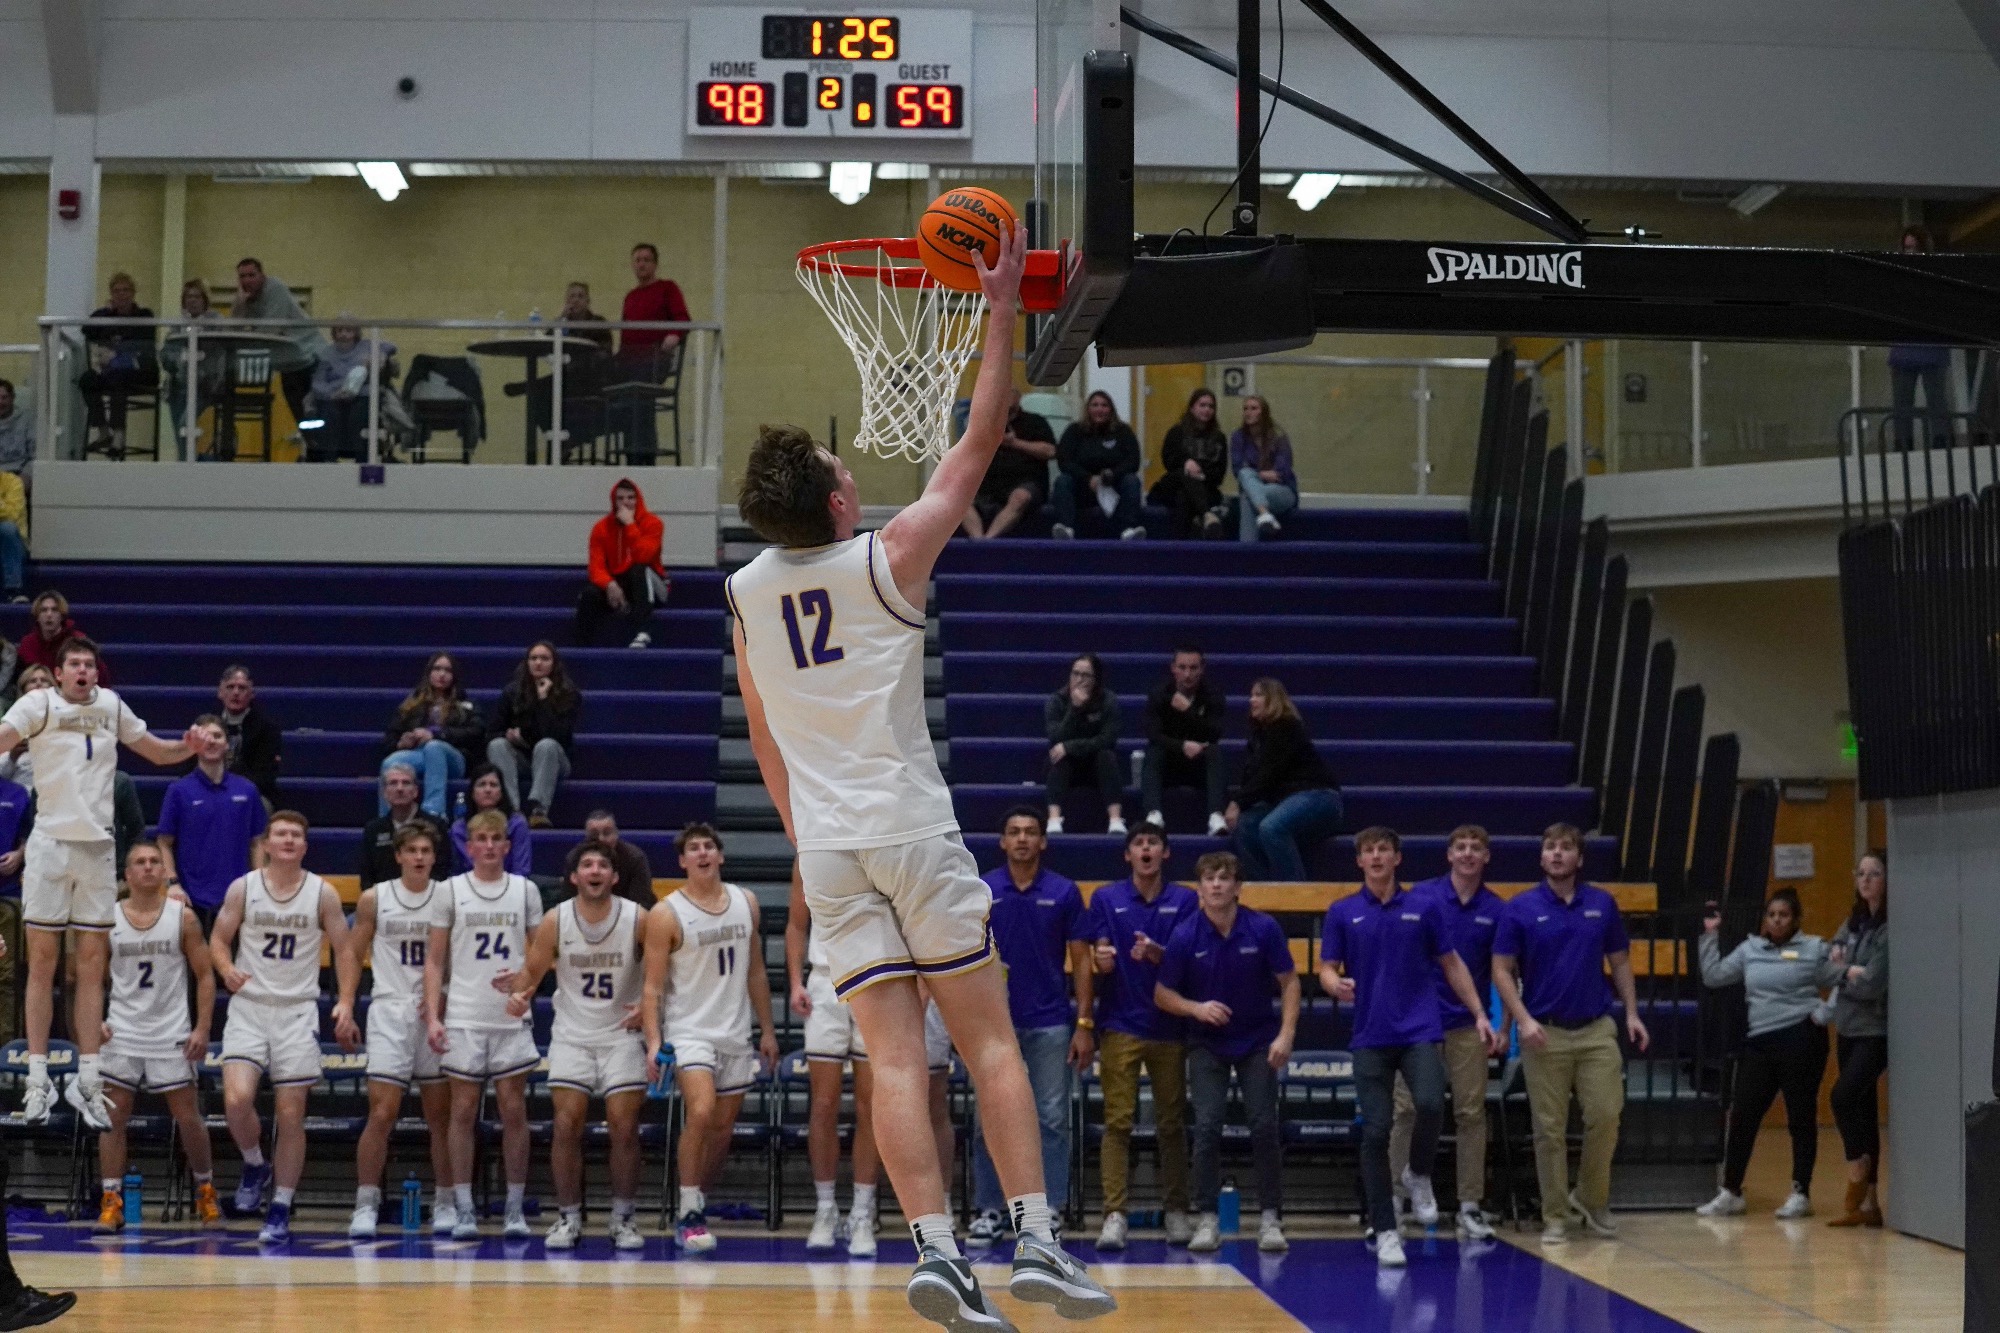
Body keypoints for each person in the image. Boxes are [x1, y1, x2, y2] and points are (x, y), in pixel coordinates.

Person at [731, 222, 1114, 1327]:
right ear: (839, 504)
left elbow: (759, 729)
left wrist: (804, 835)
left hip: (830, 845)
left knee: (891, 1059)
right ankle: (1036, 1241)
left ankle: (937, 1256)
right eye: (845, 468)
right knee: (988, 1036)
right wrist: (997, 306)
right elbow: (981, 439)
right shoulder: (887, 554)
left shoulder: (746, 590)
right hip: (906, 824)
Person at [0, 636, 196, 1128]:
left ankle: (88, 1079)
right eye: (75, 664)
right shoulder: (37, 703)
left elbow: (157, 753)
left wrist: (188, 747)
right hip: (49, 843)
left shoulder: (111, 706)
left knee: (91, 969)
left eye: (90, 664)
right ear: (60, 672)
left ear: (96, 673)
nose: (83, 670)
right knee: (42, 965)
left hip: (98, 848)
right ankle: (38, 1081)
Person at [1318, 828, 1496, 1268]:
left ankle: (1418, 1173)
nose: (1376, 857)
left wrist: (1478, 1013)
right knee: (1376, 1132)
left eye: (1383, 850)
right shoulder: (1343, 911)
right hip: (1370, 1035)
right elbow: (1326, 966)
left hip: (1420, 1029)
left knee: (1433, 1103)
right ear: (1359, 861)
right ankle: (1385, 1229)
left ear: (1397, 858)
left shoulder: (1425, 906)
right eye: (1368, 851)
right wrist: (1332, 984)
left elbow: (1451, 963)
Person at [1491, 822, 1649, 1246]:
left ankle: (1590, 1198)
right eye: (1550, 847)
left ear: (1579, 858)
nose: (1557, 854)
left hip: (1597, 1028)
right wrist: (1521, 1020)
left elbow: (1619, 961)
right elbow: (1502, 970)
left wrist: (1632, 1013)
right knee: (1549, 1129)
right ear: (1541, 858)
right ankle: (1555, 1213)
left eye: (1566, 848)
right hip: (1545, 1031)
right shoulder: (1520, 908)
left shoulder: (1602, 903)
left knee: (1606, 1114)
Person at [209, 811, 360, 1245]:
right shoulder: (244, 887)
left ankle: (280, 1207)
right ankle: (256, 1163)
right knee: (236, 1100)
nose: (289, 840)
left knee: (291, 1115)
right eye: (282, 834)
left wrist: (346, 1003)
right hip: (250, 1006)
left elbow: (346, 952)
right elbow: (219, 939)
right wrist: (225, 969)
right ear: (268, 843)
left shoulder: (322, 893)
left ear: (305, 846)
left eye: (297, 834)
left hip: (296, 1011)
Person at [641, 824, 779, 1253]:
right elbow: (652, 988)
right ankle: (689, 1210)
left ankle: (696, 1194)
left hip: (735, 1031)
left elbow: (756, 970)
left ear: (720, 856)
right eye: (693, 849)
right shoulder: (666, 914)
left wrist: (769, 1030)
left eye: (708, 846)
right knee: (700, 1111)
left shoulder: (746, 903)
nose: (702, 853)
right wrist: (653, 1041)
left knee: (721, 1127)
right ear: (682, 862)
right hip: (689, 1031)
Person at [1154, 850, 1299, 1254]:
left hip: (1256, 1040)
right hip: (1207, 1044)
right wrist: (1196, 1008)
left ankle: (1271, 1218)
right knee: (1207, 1128)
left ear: (1237, 886)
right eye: (1209, 878)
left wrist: (1285, 1035)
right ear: (1199, 888)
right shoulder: (1185, 934)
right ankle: (1208, 1219)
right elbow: (1163, 993)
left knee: (1263, 1125)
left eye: (1224, 878)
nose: (1216, 885)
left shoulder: (1263, 928)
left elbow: (1289, 981)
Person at [508, 840, 649, 1251]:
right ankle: (568, 1216)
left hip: (622, 1033)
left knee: (624, 1127)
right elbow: (530, 976)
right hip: (572, 1034)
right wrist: (518, 994)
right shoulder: (556, 920)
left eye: (602, 865)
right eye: (586, 864)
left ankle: (623, 1217)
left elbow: (667, 971)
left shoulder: (638, 918)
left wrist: (648, 1003)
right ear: (574, 878)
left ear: (615, 876)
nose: (594, 870)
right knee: (566, 1124)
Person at [969, 807, 1093, 1245]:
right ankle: (990, 1208)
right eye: (1013, 832)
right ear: (1002, 841)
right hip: (992, 1026)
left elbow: (1081, 960)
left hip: (1051, 1024)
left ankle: (1048, 1210)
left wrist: (1084, 1022)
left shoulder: (1063, 892)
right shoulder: (982, 889)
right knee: (989, 1119)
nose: (1022, 839)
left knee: (1052, 1119)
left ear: (1042, 841)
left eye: (1030, 832)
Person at [423, 809, 543, 1240]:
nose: (490, 846)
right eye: (482, 839)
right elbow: (435, 959)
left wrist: (524, 987)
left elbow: (539, 954)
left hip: (510, 1015)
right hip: (466, 1014)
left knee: (514, 1110)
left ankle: (514, 1207)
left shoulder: (525, 890)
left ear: (507, 846)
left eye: (497, 839)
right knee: (462, 1112)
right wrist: (434, 1014)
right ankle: (464, 1206)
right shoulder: (450, 891)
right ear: (469, 846)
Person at [92, 841, 222, 1234]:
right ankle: (110, 1200)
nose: (148, 868)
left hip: (171, 1032)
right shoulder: (106, 919)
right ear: (127, 874)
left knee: (189, 1118)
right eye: (140, 863)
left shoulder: (182, 918)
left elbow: (205, 976)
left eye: (155, 862)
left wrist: (201, 1028)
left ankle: (206, 1189)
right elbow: (88, 979)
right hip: (122, 1031)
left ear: (165, 871)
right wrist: (93, 1021)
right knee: (112, 1118)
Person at [1085, 823, 1197, 1250]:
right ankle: (1114, 1215)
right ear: (1127, 855)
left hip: (1170, 1026)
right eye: (1138, 843)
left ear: (1165, 853)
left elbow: (1191, 963)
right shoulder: (1106, 898)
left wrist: (1160, 955)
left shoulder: (1185, 900)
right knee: (1117, 1122)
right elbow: (1099, 957)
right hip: (1119, 1024)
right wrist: (1103, 960)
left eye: (1153, 843)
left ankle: (1176, 1211)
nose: (1146, 849)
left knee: (1171, 1123)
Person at [1391, 825, 1506, 1240]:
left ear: (1487, 857)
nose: (1469, 854)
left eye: (1477, 847)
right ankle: (1394, 1202)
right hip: (1419, 1024)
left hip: (1466, 1025)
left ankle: (1470, 1206)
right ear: (1449, 854)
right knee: (1406, 1110)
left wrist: (1499, 1023)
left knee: (1471, 1114)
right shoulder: (1421, 896)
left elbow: (1503, 972)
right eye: (1461, 847)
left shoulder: (1496, 908)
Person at [346, 824, 457, 1240]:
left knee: (440, 1116)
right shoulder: (376, 898)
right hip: (390, 1009)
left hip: (437, 1010)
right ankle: (365, 1203)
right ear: (398, 855)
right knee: (382, 1113)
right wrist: (344, 1002)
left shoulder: (448, 897)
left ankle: (445, 1200)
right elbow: (354, 952)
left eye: (426, 850)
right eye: (411, 849)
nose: (419, 856)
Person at [1695, 886, 1832, 1221]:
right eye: (1772, 915)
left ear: (1795, 919)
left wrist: (1827, 1012)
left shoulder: (1814, 948)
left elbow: (1845, 977)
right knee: (1743, 1115)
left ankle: (1801, 1191)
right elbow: (1714, 976)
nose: (1777, 920)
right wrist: (1709, 937)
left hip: (1802, 1037)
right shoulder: (1750, 949)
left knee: (1800, 1116)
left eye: (1784, 915)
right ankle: (1731, 1191)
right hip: (1760, 1041)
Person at [785, 860, 882, 1256]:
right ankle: (825, 1208)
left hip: (876, 978)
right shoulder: (810, 851)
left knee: (870, 1106)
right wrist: (794, 982)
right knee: (823, 1104)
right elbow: (795, 923)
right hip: (824, 981)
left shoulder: (882, 845)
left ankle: (862, 1211)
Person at [1821, 852, 1888, 1228]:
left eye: (1874, 874)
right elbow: (1825, 968)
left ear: (1887, 880)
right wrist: (1850, 972)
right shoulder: (1853, 922)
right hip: (1846, 1028)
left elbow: (1875, 981)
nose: (1866, 880)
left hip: (1873, 1031)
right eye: (1861, 873)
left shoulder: (1887, 929)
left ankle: (1856, 1167)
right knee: (1862, 1109)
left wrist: (1844, 973)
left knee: (1842, 1095)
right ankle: (1871, 1206)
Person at [1225, 678, 1342, 881]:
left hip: (1318, 797)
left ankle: (1297, 905)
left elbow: (1268, 775)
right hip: (1285, 802)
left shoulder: (1286, 728)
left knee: (1272, 827)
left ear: (1274, 700)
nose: (1252, 700)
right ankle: (1262, 898)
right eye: (1251, 695)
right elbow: (1253, 778)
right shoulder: (1258, 738)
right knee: (1245, 826)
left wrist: (1237, 802)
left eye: (1259, 695)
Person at [155, 714, 267, 925]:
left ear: (227, 744)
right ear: (195, 744)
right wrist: (173, 884)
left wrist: (258, 884)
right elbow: (164, 842)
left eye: (217, 736)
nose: (212, 741)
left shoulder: (248, 790)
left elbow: (257, 842)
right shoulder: (178, 791)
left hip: (238, 898)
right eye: (205, 736)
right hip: (191, 899)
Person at [613, 243, 693, 466]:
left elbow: (683, 319)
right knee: (601, 376)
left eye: (646, 260)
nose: (641, 264)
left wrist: (674, 335)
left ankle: (643, 459)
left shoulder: (667, 288)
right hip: (630, 362)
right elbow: (625, 336)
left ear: (655, 264)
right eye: (637, 260)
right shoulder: (630, 297)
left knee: (638, 393)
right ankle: (627, 455)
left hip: (654, 360)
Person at [379, 652, 485, 818]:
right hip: (419, 755)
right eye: (437, 669)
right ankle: (388, 819)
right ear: (429, 673)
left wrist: (436, 734)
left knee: (433, 746)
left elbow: (476, 732)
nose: (442, 674)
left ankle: (434, 813)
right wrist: (400, 744)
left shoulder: (467, 704)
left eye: (447, 670)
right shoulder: (411, 705)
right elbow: (390, 738)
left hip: (454, 759)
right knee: (390, 763)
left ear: (454, 676)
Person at [485, 640, 579, 828]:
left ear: (554, 663)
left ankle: (538, 810)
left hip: (554, 759)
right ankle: (512, 809)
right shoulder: (512, 692)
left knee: (546, 745)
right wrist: (509, 737)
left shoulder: (568, 694)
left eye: (544, 658)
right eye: (533, 658)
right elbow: (491, 732)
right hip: (522, 758)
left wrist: (543, 700)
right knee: (496, 745)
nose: (538, 663)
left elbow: (559, 736)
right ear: (526, 662)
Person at [230, 258, 329, 426]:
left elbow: (270, 331)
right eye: (242, 276)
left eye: (251, 275)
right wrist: (239, 308)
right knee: (302, 421)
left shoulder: (275, 288)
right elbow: (232, 334)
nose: (247, 281)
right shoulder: (244, 300)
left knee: (317, 417)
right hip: (289, 364)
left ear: (263, 276)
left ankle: (320, 451)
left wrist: (248, 338)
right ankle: (312, 450)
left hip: (311, 359)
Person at [1141, 646, 1228, 835]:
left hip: (1198, 765)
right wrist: (1181, 746)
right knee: (1154, 751)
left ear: (1202, 669)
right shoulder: (1159, 694)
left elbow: (1214, 733)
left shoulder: (1213, 694)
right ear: (1173, 668)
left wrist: (1189, 710)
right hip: (1169, 764)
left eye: (1193, 668)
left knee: (1214, 751)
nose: (1187, 674)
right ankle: (1154, 815)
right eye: (1182, 667)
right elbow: (1153, 733)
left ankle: (1215, 816)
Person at [576, 477, 669, 649]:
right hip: (619, 586)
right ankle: (582, 648)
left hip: (652, 586)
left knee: (639, 569)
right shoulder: (601, 528)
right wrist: (609, 584)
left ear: (638, 499)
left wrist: (630, 525)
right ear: (614, 501)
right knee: (589, 595)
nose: (625, 502)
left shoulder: (653, 524)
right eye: (620, 498)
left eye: (631, 498)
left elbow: (644, 556)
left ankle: (643, 631)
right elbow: (596, 567)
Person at [77, 272, 159, 456]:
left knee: (117, 377)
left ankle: (119, 434)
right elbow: (86, 329)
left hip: (141, 372)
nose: (121, 294)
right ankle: (104, 430)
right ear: (111, 295)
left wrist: (116, 348)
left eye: (126, 290)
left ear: (133, 293)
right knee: (87, 379)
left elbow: (142, 340)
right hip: (113, 373)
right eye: (116, 291)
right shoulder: (106, 316)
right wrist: (106, 313)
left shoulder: (144, 315)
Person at [1044, 653, 1125, 836]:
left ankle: (1115, 819)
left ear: (1096, 679)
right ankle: (1054, 818)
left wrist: (1070, 747)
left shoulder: (1107, 701)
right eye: (1075, 674)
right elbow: (1056, 737)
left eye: (1085, 675)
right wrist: (1074, 709)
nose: (1079, 680)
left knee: (1106, 755)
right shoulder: (1057, 701)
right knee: (1058, 756)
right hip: (1068, 766)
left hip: (1097, 764)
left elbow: (1108, 739)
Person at [1889, 228, 1953, 452]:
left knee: (1933, 400)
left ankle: (1938, 441)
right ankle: (1906, 443)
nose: (1910, 252)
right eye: (1907, 248)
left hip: (1925, 346)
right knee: (1904, 403)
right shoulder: (1898, 275)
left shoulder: (1932, 276)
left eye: (1914, 247)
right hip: (1914, 346)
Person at [961, 389, 1056, 540]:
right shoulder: (985, 424)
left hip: (1026, 482)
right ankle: (979, 541)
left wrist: (1014, 443)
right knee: (958, 499)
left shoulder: (1035, 422)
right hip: (989, 485)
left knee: (1020, 497)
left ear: (1018, 400)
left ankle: (988, 541)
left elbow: (1050, 452)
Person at [1052, 390, 1144, 540]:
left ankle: (1128, 530)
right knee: (1063, 481)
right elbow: (1064, 461)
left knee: (1132, 480)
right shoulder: (1074, 431)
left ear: (1111, 409)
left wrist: (1111, 475)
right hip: (1083, 487)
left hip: (1113, 485)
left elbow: (1133, 461)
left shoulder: (1123, 431)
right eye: (1095, 405)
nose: (1099, 409)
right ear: (1088, 409)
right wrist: (1088, 478)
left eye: (1104, 405)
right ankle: (1066, 528)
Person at [303, 317, 396, 461]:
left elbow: (391, 347)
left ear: (356, 333)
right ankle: (329, 459)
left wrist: (379, 356)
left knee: (359, 416)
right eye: (340, 330)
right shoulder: (325, 354)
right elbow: (318, 383)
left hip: (361, 394)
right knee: (328, 414)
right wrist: (331, 394)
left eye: (349, 330)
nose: (344, 334)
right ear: (334, 333)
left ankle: (363, 459)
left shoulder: (367, 346)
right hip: (333, 395)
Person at [1149, 388, 1230, 539]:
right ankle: (1206, 515)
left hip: (1205, 487)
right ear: (1192, 407)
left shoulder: (1219, 438)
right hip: (1173, 484)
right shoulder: (1176, 432)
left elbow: (1219, 474)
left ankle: (1180, 548)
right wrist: (1186, 463)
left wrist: (1197, 472)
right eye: (1202, 405)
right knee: (1184, 476)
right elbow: (1168, 461)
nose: (1207, 410)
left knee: (1184, 497)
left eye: (1211, 406)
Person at [358, 766, 451, 891]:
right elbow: (367, 877)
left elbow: (442, 871)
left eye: (406, 783)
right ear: (385, 792)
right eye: (393, 783)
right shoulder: (373, 829)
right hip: (385, 902)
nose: (400, 788)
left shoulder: (436, 826)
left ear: (415, 791)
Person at [161, 278, 225, 451]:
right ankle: (185, 467)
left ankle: (192, 465)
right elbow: (166, 353)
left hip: (204, 385)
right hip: (178, 385)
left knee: (185, 425)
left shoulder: (216, 321)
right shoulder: (177, 325)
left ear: (204, 299)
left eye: (197, 296)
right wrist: (176, 361)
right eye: (189, 296)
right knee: (179, 433)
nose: (192, 300)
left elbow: (220, 350)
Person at [1230, 395, 1297, 542]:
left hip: (1282, 491)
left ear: (1264, 412)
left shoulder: (1278, 436)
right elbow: (1237, 469)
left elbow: (1281, 472)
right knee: (1245, 481)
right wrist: (1262, 475)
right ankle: (1264, 515)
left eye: (1254, 408)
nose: (1248, 412)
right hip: (1255, 490)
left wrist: (1256, 475)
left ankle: (1247, 556)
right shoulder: (1238, 437)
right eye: (1245, 409)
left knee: (1249, 490)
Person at [448, 764, 533, 877]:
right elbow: (457, 871)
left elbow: (521, 869)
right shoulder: (459, 828)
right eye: (482, 784)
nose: (488, 789)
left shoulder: (517, 824)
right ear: (472, 792)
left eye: (493, 785)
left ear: (501, 792)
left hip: (510, 886)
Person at [216, 665, 282, 805]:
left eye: (242, 688)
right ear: (220, 692)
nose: (236, 692)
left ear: (252, 694)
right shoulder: (205, 725)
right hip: (210, 790)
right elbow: (189, 769)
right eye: (230, 687)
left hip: (251, 794)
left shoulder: (267, 729)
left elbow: (265, 777)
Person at [583, 809, 657, 909]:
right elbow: (569, 903)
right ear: (586, 837)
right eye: (594, 835)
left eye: (607, 833)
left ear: (616, 834)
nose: (601, 839)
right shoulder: (575, 859)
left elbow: (641, 905)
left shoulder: (635, 858)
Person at [18, 592, 91, 680]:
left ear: (62, 616)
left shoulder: (78, 641)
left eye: (54, 610)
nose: (49, 614)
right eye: (44, 610)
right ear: (37, 616)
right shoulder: (28, 643)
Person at [0, 377, 33, 491]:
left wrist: (26, 475)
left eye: (4, 398)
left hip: (18, 475)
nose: (0, 402)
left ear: (12, 398)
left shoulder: (27, 421)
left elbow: (35, 456)